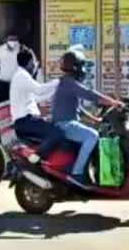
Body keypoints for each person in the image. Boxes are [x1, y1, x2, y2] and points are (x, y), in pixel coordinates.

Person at [51, 49, 123, 188]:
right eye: (81, 66)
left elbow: (78, 109)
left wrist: (94, 119)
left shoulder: (67, 82)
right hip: (64, 124)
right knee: (92, 136)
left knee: (93, 133)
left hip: (67, 123)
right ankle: (76, 174)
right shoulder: (69, 83)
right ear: (75, 67)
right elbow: (90, 94)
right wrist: (113, 102)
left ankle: (85, 171)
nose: (83, 70)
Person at [10, 50, 62, 163]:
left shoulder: (22, 76)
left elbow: (37, 98)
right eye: (33, 62)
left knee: (55, 127)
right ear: (29, 62)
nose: (34, 65)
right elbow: (39, 90)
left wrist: (55, 90)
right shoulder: (21, 76)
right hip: (25, 122)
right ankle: (36, 159)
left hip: (28, 120)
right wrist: (58, 81)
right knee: (57, 132)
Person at [0, 33, 21, 103]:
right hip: (2, 84)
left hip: (15, 84)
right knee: (2, 108)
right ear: (6, 40)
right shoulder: (0, 50)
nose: (13, 42)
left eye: (15, 39)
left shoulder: (20, 49)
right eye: (11, 39)